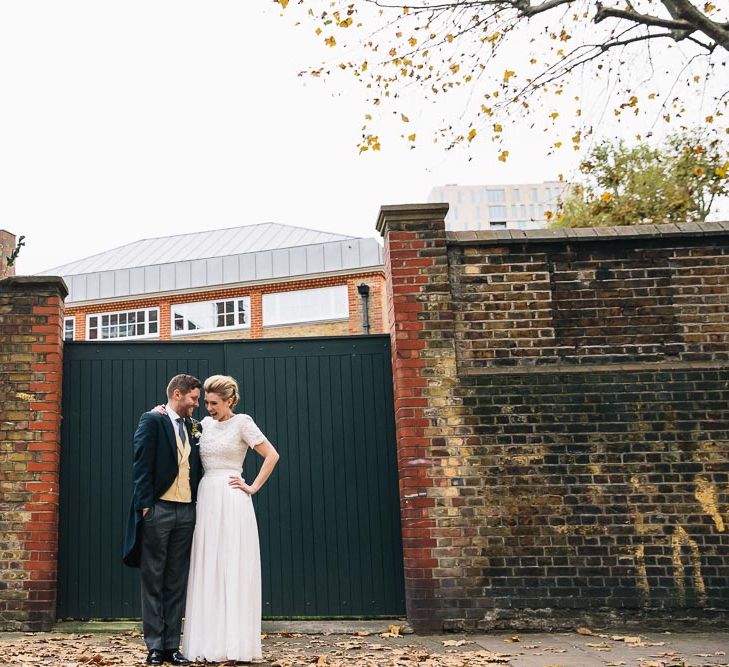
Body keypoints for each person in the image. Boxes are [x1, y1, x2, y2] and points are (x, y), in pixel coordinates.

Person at [157, 374, 280, 663]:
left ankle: (235, 645)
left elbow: (272, 455)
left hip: (232, 497)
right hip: (206, 499)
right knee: (207, 564)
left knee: (232, 565)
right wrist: (161, 411)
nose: (208, 408)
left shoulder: (243, 423)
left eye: (213, 403)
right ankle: (207, 643)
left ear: (229, 401)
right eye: (206, 402)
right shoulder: (203, 426)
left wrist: (252, 487)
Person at [123, 373, 203, 667]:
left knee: (176, 581)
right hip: (159, 508)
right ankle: (154, 646)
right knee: (153, 579)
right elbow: (141, 463)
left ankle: (172, 646)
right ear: (178, 394)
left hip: (186, 511)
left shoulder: (194, 426)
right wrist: (145, 506)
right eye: (194, 398)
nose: (197, 404)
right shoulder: (153, 420)